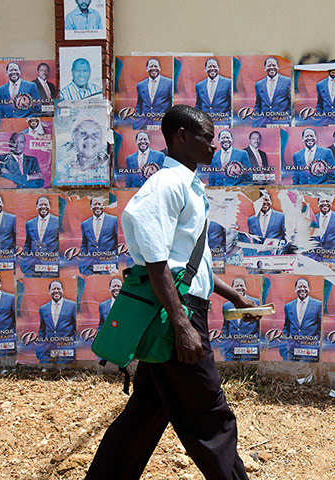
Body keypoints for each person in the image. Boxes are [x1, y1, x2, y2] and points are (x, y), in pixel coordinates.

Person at [86, 105, 256, 479]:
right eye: (206, 137)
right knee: (211, 417)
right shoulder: (167, 185)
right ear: (180, 136)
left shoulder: (188, 184)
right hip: (173, 315)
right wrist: (182, 324)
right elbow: (156, 260)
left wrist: (231, 295)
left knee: (147, 411)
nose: (214, 145)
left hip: (179, 308)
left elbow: (187, 263)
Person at [281, 278, 322, 362]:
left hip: (310, 351)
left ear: (309, 289)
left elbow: (321, 328)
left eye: (305, 286)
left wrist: (316, 344)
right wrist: (286, 344)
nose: (302, 289)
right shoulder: (288, 306)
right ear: (295, 289)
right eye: (299, 287)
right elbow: (286, 327)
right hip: (291, 351)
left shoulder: (318, 305)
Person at [220, 277, 260, 361]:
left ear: (246, 288)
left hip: (250, 348)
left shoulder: (255, 302)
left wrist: (257, 343)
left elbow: (260, 325)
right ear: (232, 288)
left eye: (241, 285)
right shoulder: (226, 306)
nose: (239, 288)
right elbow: (225, 327)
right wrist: (225, 344)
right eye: (236, 286)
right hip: (231, 349)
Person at [36, 280, 77, 363]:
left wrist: (73, 345)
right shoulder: (43, 309)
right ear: (49, 292)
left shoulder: (72, 306)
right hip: (48, 350)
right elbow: (42, 329)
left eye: (58, 288)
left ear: (63, 290)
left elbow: (76, 328)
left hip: (66, 348)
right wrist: (41, 346)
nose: (56, 291)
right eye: (53, 289)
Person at [60, 116, 109, 182]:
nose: (89, 138)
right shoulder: (63, 168)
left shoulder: (109, 166)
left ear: (103, 138)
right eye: (82, 133)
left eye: (95, 134)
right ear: (74, 138)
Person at [21, 196, 59, 277]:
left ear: (50, 206)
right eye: (41, 204)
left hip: (50, 267)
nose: (43, 207)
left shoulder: (58, 222)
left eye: (46, 204)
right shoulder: (29, 223)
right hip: (31, 267)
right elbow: (27, 244)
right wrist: (25, 261)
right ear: (36, 207)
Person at [79, 197, 118, 275]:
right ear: (90, 207)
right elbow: (84, 244)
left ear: (104, 206)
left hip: (108, 264)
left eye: (99, 204)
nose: (97, 206)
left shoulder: (113, 220)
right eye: (95, 204)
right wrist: (84, 259)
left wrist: (113, 258)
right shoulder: (84, 224)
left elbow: (118, 242)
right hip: (90, 266)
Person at [254, 57, 291, 124]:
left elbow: (291, 102)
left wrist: (288, 117)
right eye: (269, 65)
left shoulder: (288, 81)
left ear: (278, 67)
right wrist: (257, 120)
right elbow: (258, 104)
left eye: (274, 65)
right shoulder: (258, 84)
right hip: (264, 122)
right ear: (265, 68)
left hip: (282, 121)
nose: (271, 67)